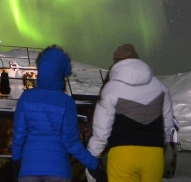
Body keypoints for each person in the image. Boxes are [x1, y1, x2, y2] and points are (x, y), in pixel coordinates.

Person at [12, 45, 101, 182]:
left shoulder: (26, 98)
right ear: (60, 73)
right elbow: (71, 143)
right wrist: (94, 165)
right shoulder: (67, 102)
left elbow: (18, 137)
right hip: (59, 172)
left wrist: (16, 162)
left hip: (28, 171)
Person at [88, 45, 175, 182]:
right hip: (154, 155)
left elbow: (101, 131)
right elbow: (168, 126)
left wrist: (92, 159)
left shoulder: (111, 89)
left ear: (115, 62)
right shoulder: (160, 87)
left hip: (122, 154)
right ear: (137, 59)